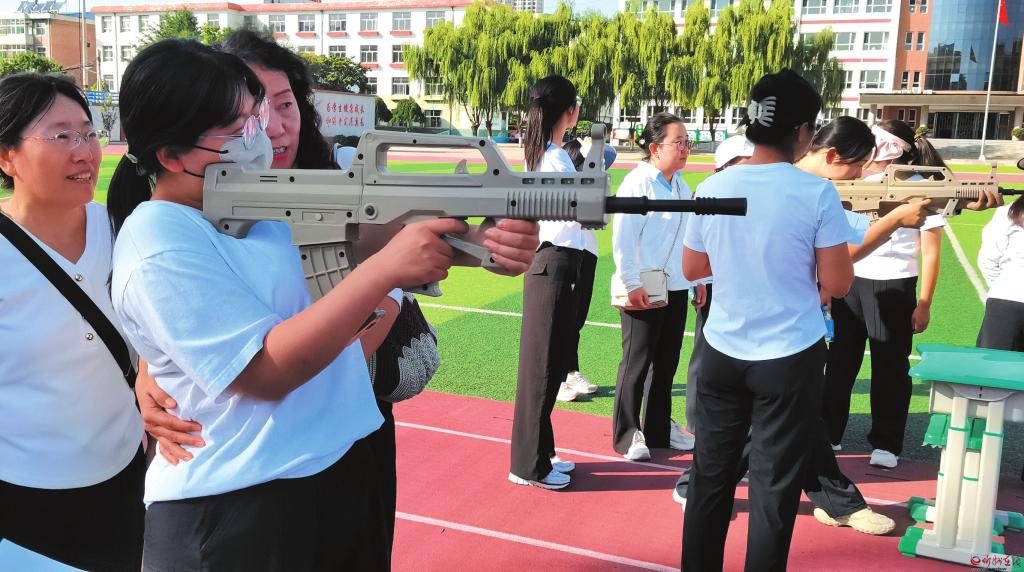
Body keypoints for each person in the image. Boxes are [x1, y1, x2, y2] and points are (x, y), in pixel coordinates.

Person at [131, 31, 539, 563]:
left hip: (326, 474)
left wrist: (483, 243)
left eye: (264, 113)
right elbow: (264, 372)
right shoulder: (160, 239)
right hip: (236, 508)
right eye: (239, 128)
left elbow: (373, 235)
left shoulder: (255, 207)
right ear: (171, 154)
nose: (265, 133)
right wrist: (386, 272)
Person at [681, 70, 854, 571]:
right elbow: (838, 283)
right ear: (802, 131)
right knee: (773, 489)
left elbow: (693, 269)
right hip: (789, 355)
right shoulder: (816, 193)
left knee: (710, 478)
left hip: (721, 350)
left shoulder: (715, 184)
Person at [0, 73, 145, 571]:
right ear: (6, 157)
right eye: (61, 136)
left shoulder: (126, 230)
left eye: (88, 133)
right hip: (20, 494)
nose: (85, 152)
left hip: (124, 479)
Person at [822, 119, 947, 469]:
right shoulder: (853, 180)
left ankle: (886, 443)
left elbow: (931, 251)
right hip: (850, 281)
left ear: (892, 147)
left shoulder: (922, 186)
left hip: (894, 284)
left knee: (890, 368)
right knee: (839, 363)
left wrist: (924, 302)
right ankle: (828, 433)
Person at [509, 74, 590, 490]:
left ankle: (543, 452)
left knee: (551, 364)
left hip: (556, 263)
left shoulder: (547, 153)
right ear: (570, 111)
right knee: (542, 369)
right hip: (552, 262)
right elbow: (573, 212)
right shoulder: (554, 158)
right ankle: (528, 465)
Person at [610, 112, 702, 461]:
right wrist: (632, 282)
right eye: (678, 142)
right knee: (637, 362)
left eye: (687, 142)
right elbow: (623, 238)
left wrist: (697, 279)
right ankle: (627, 434)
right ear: (654, 148)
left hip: (675, 285)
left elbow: (689, 237)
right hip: (643, 284)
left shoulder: (680, 185)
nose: (685, 148)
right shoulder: (638, 183)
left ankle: (659, 429)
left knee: (666, 363)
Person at [977, 193, 1024, 352]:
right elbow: (988, 260)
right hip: (1007, 301)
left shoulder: (1008, 212)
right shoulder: (1007, 212)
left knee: (995, 365)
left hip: (1006, 301)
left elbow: (988, 260)